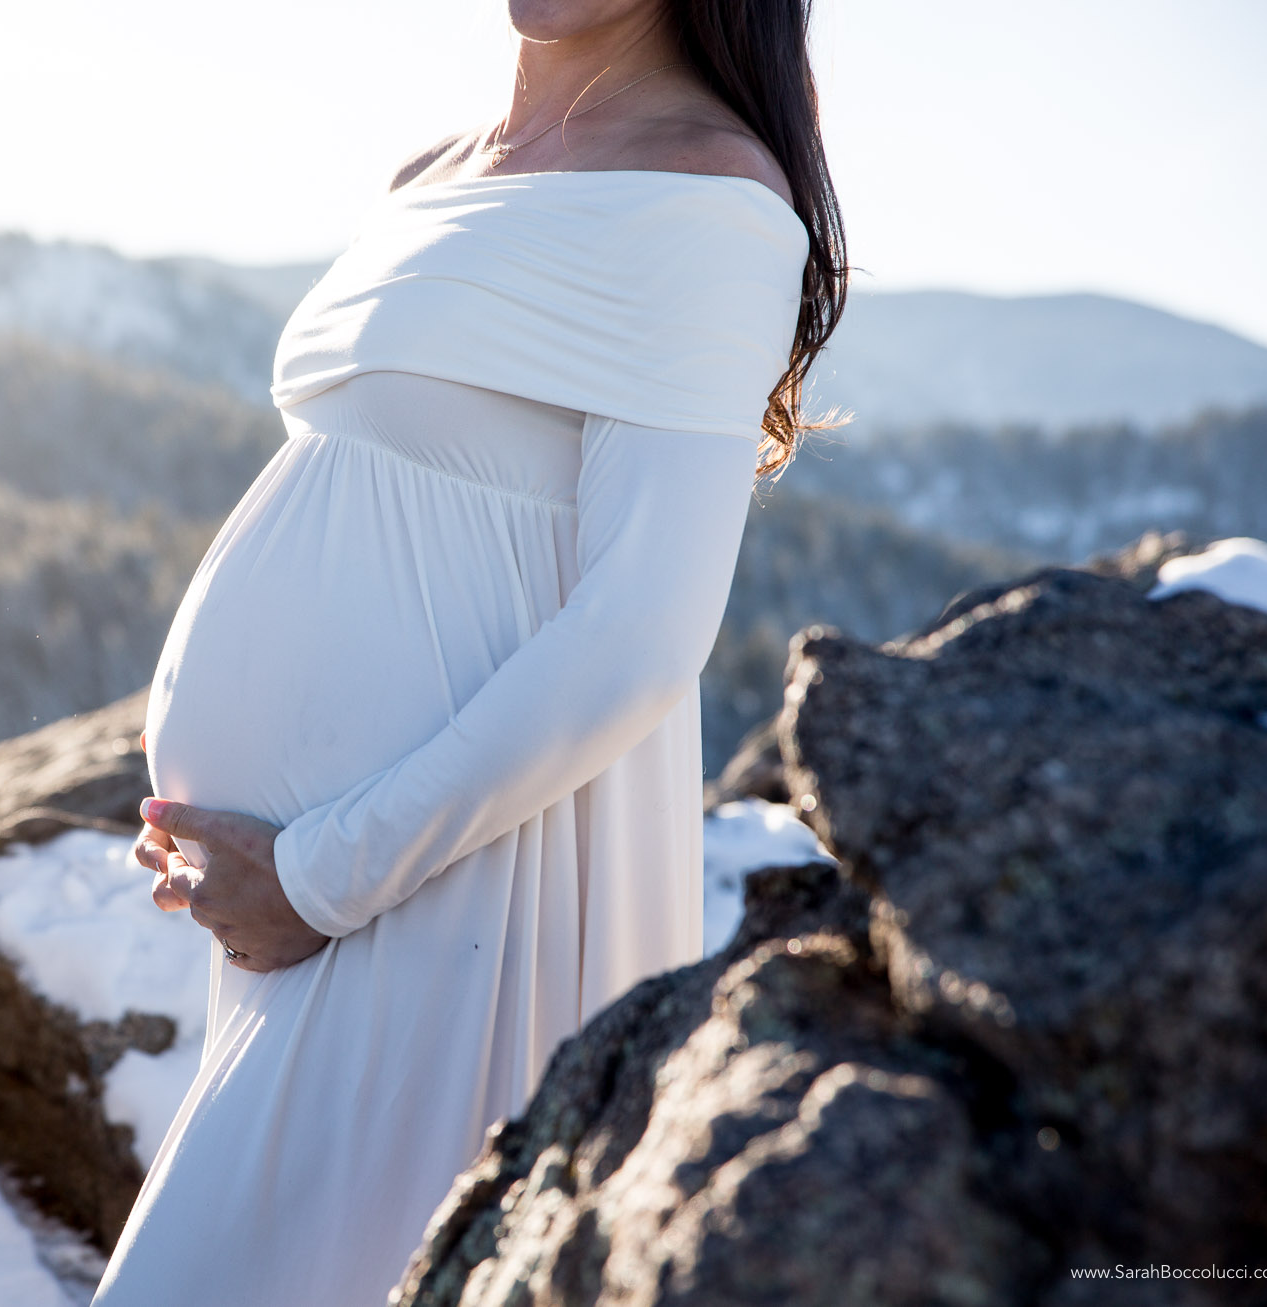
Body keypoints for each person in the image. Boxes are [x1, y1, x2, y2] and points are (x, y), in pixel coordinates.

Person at [91, 1, 846, 1301]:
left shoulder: (709, 197)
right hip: (322, 915)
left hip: (455, 898)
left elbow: (637, 641)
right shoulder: (433, 173)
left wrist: (322, 876)